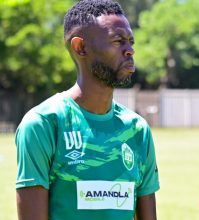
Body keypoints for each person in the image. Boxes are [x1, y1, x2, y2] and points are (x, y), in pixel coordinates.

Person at [15, 0, 159, 219]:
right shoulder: (43, 124)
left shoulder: (137, 130)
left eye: (130, 41)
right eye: (118, 40)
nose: (130, 50)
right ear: (80, 47)